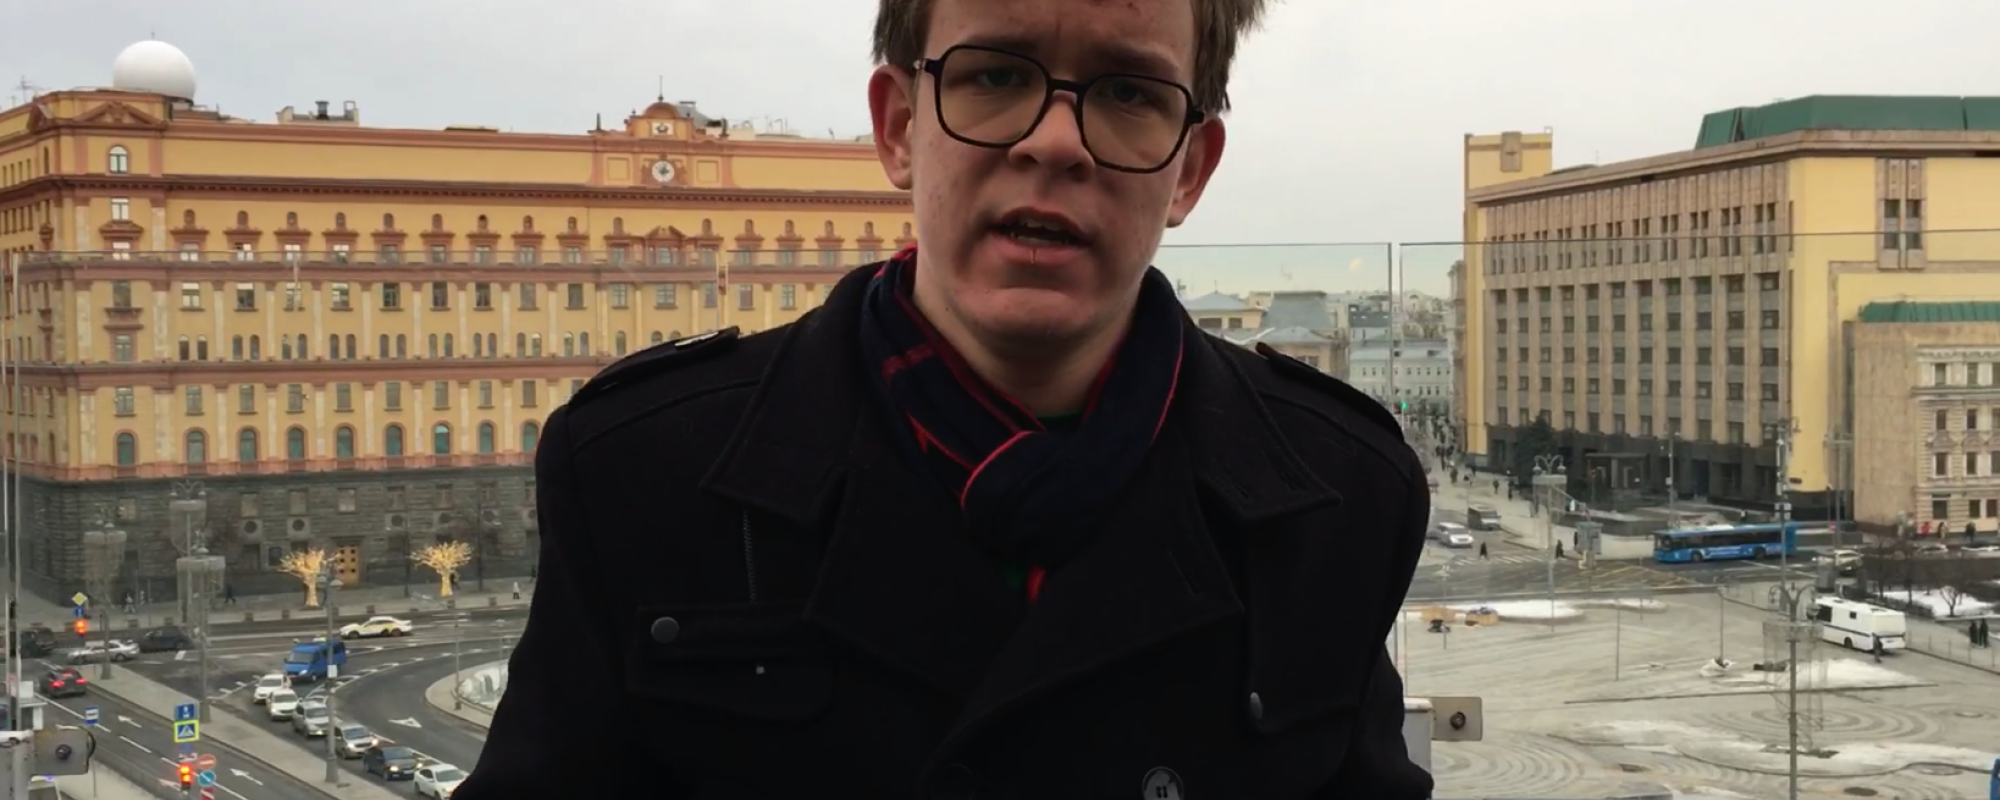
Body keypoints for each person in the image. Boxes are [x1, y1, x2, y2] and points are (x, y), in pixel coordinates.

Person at [458, 0, 1432, 796]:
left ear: (1189, 168)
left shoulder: (1338, 496)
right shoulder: (640, 472)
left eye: (1128, 91)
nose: (1055, 142)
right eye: (996, 76)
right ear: (898, 129)